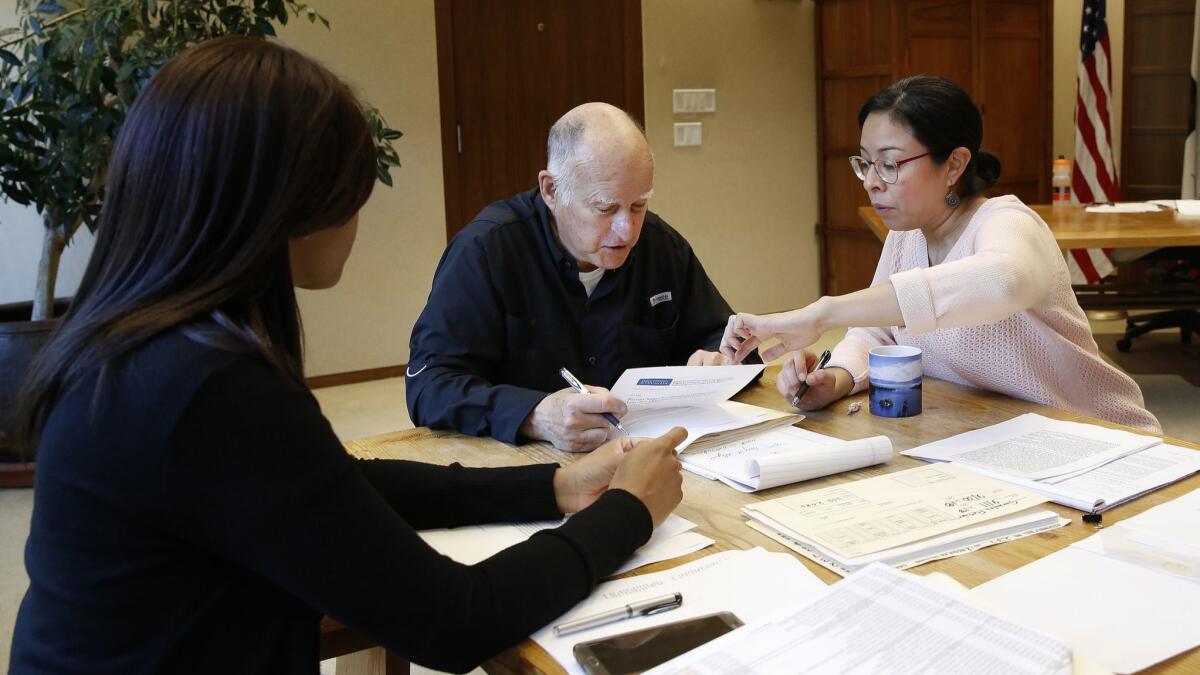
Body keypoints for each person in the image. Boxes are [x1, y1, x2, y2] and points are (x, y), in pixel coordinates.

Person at [10, 36, 686, 674]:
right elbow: (452, 618)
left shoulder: (147, 348)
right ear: (292, 205)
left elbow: (334, 484)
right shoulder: (207, 387)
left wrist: (550, 486)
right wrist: (626, 512)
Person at [720, 75, 1160, 433]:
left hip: (1096, 440)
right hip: (995, 436)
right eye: (865, 163)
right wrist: (833, 381)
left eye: (890, 163)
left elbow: (999, 281)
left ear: (954, 164)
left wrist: (822, 314)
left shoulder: (1007, 224)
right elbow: (879, 335)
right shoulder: (908, 235)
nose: (872, 181)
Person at [407, 102, 750, 453]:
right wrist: (535, 415)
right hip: (521, 469)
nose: (627, 230)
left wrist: (717, 359)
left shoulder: (661, 247)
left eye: (638, 205)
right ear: (551, 191)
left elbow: (722, 337)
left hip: (645, 457)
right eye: (605, 208)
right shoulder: (486, 251)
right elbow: (429, 387)